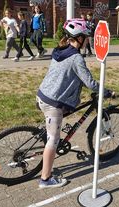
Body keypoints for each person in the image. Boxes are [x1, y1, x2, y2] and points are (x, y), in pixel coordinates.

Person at [36, 19, 114, 188]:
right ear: (79, 38)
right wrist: (106, 91)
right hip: (53, 102)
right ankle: (46, 179)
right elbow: (90, 83)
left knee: (54, 127)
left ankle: (48, 139)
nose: (87, 40)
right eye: (85, 37)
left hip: (44, 94)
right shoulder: (76, 58)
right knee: (53, 141)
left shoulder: (59, 50)